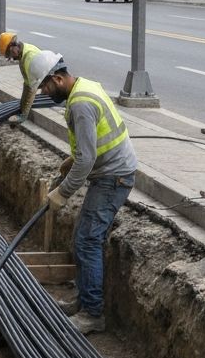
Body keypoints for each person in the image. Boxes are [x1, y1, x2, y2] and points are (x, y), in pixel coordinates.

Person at [35, 51, 138, 335]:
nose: (44, 92)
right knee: (83, 237)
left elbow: (87, 160)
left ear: (57, 78)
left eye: (45, 86)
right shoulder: (85, 86)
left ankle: (93, 314)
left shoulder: (79, 104)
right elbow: (90, 146)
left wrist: (62, 193)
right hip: (110, 170)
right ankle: (83, 301)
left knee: (88, 241)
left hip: (113, 177)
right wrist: (72, 160)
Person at [0, 31, 42, 126]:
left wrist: (24, 115)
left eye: (10, 54)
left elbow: (32, 88)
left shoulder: (29, 57)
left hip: (50, 80)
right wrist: (21, 107)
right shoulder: (22, 53)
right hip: (40, 77)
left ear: (13, 47)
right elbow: (26, 84)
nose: (11, 58)